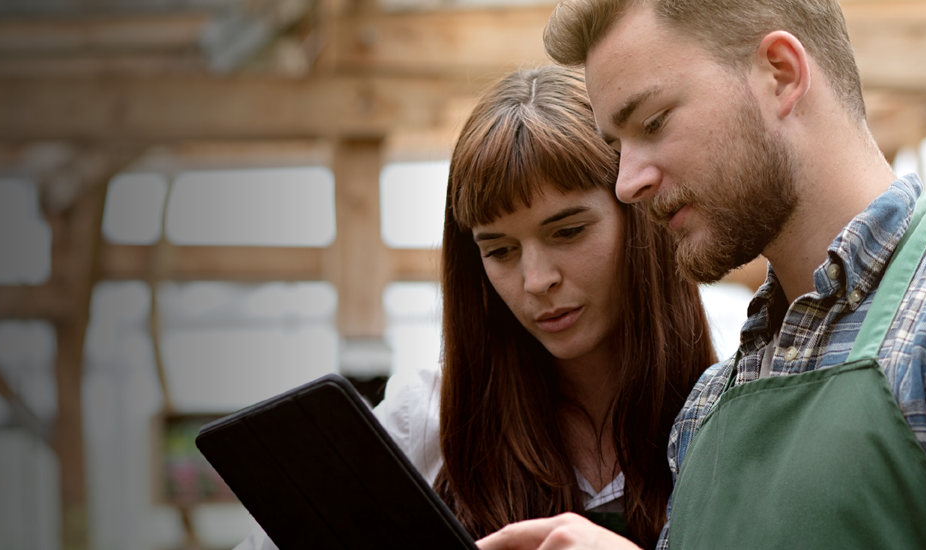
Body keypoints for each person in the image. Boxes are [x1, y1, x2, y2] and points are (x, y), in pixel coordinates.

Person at [476, 1, 926, 549]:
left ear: (778, 73)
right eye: (616, 147)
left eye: (652, 122)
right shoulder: (711, 403)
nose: (627, 182)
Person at [234, 65, 717, 550]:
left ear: (640, 216)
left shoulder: (733, 415)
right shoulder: (428, 425)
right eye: (499, 250)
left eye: (567, 231)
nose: (536, 280)